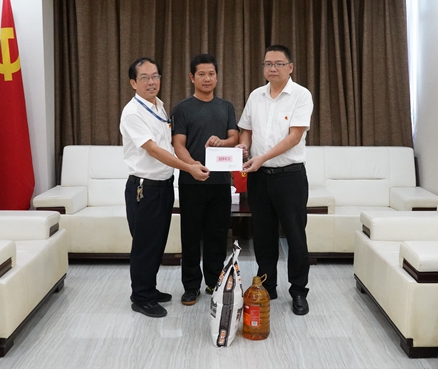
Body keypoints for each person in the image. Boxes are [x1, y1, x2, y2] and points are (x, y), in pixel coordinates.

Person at [119, 57, 210, 318]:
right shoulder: (133, 113)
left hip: (163, 185)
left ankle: (149, 288)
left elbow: (167, 145)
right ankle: (141, 298)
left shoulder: (158, 105)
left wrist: (190, 163)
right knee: (145, 245)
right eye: (144, 78)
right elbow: (155, 150)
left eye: (155, 76)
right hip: (145, 188)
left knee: (156, 243)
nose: (151, 82)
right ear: (133, 83)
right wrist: (189, 167)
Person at [236, 45, 313, 316]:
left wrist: (261, 157)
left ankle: (299, 291)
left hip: (290, 177)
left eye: (279, 64)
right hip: (259, 178)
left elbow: (294, 137)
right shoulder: (256, 95)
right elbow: (246, 129)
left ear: (290, 67)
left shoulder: (301, 95)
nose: (272, 68)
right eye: (268, 64)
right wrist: (244, 146)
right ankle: (267, 286)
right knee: (263, 234)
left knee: (295, 235)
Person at [171, 54, 239, 306]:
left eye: (211, 74)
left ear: (217, 77)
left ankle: (214, 282)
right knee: (190, 236)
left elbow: (234, 137)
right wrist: (192, 167)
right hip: (191, 182)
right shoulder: (182, 108)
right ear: (192, 77)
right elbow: (178, 144)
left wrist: (222, 141)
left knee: (217, 235)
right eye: (201, 74)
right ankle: (191, 286)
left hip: (220, 182)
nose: (207, 78)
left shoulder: (226, 107)